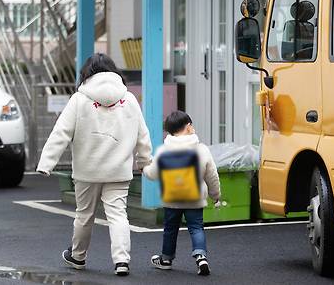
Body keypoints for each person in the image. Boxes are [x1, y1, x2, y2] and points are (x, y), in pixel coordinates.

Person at [36, 53, 152, 277]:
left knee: (84, 214)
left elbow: (61, 133)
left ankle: (78, 256)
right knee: (118, 215)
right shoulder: (128, 99)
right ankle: (121, 261)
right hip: (119, 170)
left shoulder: (79, 99)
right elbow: (142, 134)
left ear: (87, 74)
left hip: (86, 171)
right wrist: (145, 161)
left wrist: (46, 163)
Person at [143, 111, 221, 276]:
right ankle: (201, 257)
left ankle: (166, 259)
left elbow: (152, 173)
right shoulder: (201, 150)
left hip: (172, 198)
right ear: (187, 127)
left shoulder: (164, 151)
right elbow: (212, 175)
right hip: (194, 198)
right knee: (196, 227)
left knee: (170, 229)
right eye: (191, 124)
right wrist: (216, 195)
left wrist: (143, 166)